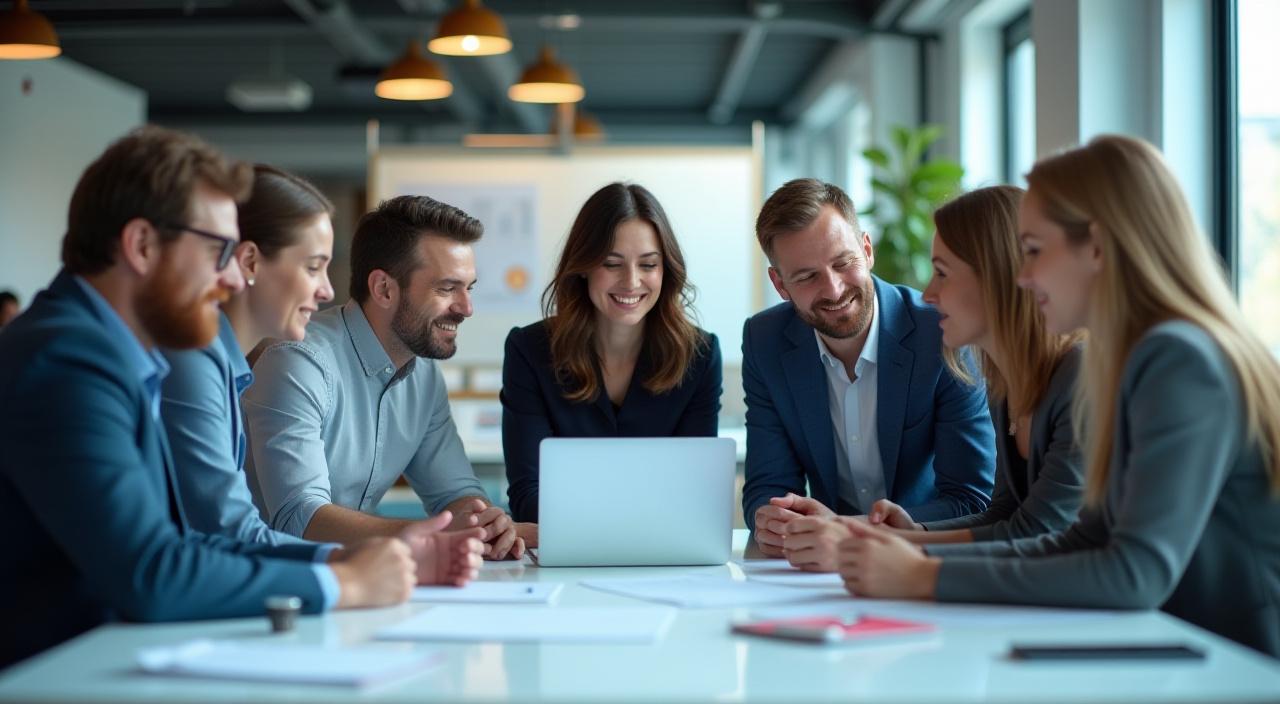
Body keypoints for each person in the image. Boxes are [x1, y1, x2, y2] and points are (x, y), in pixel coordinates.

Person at [834, 135, 1280, 658]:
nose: (1022, 276)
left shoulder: (1177, 359)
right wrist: (911, 562)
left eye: (1034, 252)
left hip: (1235, 664)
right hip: (1178, 651)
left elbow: (1137, 573)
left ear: (1095, 246)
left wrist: (925, 577)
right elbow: (1083, 541)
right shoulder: (1140, 357)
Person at [0, 126, 425, 668]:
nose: (230, 277)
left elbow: (183, 543)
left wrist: (345, 560)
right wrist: (342, 583)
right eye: (218, 251)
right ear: (142, 246)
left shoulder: (113, 354)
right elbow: (151, 572)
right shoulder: (66, 360)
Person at [159, 165, 482, 584]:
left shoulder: (224, 368)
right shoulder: (242, 363)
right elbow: (252, 530)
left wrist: (484, 526)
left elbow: (234, 537)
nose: (328, 290)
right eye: (313, 267)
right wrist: (368, 571)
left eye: (468, 288)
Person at [780, 186, 1084, 572]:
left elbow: (1037, 531)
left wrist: (901, 561)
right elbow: (1006, 514)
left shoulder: (1077, 376)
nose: (928, 293)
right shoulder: (1008, 384)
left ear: (998, 277)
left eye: (942, 273)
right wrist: (896, 538)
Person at [243, 194, 528, 560]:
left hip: (357, 578)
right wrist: (434, 536)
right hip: (269, 583)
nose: (466, 308)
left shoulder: (423, 374)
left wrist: (485, 522)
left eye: (468, 288)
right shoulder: (298, 363)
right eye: (446, 288)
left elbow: (454, 493)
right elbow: (299, 517)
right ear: (384, 289)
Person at [742, 178, 996, 558]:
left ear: (866, 249)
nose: (833, 289)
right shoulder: (765, 340)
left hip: (926, 555)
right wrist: (773, 519)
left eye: (843, 263)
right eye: (807, 277)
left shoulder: (941, 331)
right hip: (816, 573)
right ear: (780, 284)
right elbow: (768, 484)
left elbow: (972, 498)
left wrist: (845, 531)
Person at [502, 183, 722, 526]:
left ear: (666, 270)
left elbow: (697, 493)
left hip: (663, 557)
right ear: (584, 266)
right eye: (612, 263)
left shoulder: (700, 356)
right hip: (569, 558)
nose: (632, 282)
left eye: (648, 265)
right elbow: (528, 496)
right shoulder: (529, 351)